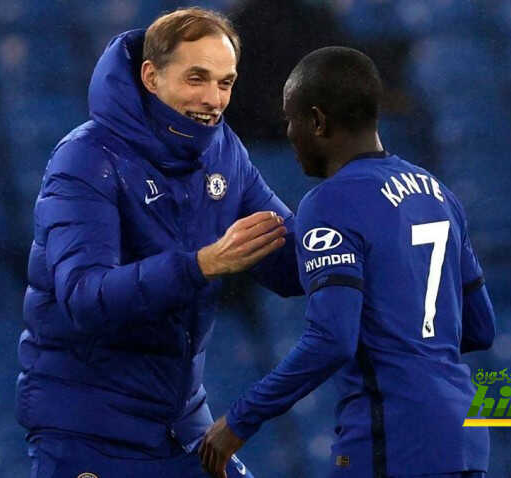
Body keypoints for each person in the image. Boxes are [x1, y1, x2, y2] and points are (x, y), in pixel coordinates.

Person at [15, 8, 302, 477]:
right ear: (151, 76)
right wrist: (200, 265)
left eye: (225, 83)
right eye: (196, 78)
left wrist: (357, 235)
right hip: (89, 432)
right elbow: (84, 297)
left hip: (182, 428)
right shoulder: (86, 158)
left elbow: (288, 262)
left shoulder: (223, 150)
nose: (213, 99)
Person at [200, 47, 496, 478]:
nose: (289, 133)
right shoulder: (438, 193)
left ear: (317, 121)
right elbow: (480, 328)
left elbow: (332, 339)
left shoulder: (330, 201)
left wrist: (240, 420)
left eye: (291, 119)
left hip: (391, 439)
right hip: (463, 439)